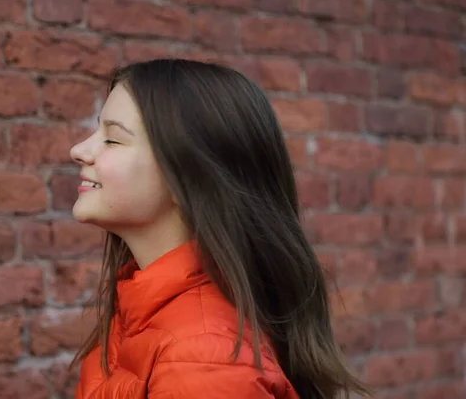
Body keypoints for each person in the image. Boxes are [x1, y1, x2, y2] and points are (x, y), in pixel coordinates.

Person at [69, 58, 368, 399]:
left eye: (113, 140)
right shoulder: (142, 316)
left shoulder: (204, 358)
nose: (79, 150)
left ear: (188, 179)